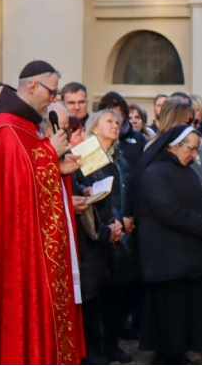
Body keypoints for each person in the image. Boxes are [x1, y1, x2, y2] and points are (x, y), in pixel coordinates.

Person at [0, 61, 85, 365]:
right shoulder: (4, 127)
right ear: (32, 86)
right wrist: (49, 154)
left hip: (36, 243)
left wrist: (58, 168)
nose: (53, 99)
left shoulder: (27, 125)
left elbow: (30, 181)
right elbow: (12, 189)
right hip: (15, 248)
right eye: (52, 92)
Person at [136, 126, 202, 365]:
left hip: (184, 255)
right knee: (169, 309)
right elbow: (169, 211)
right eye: (192, 149)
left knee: (184, 307)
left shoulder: (184, 170)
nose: (195, 155)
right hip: (166, 255)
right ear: (174, 145)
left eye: (196, 149)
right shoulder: (155, 171)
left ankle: (179, 352)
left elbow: (201, 201)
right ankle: (168, 355)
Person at [76, 109, 136, 365]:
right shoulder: (87, 157)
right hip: (94, 236)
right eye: (108, 121)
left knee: (116, 290)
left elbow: (125, 194)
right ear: (94, 128)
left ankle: (111, 344)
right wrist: (109, 226)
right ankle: (93, 348)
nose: (115, 125)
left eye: (117, 122)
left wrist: (125, 219)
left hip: (119, 232)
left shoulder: (120, 160)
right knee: (93, 294)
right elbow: (91, 199)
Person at [97, 91, 145, 167]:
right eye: (111, 115)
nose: (116, 119)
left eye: (119, 115)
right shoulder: (93, 139)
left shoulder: (139, 138)